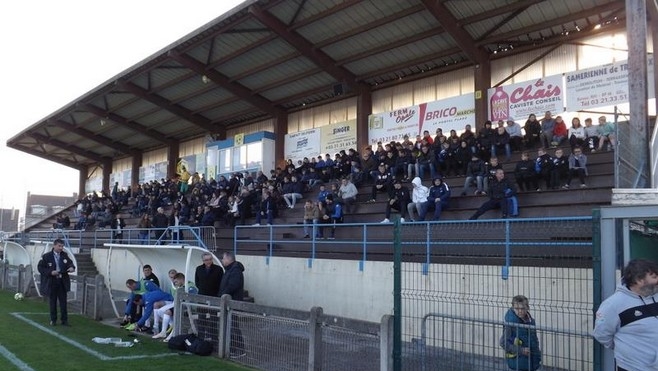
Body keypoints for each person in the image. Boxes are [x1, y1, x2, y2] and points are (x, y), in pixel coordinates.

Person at [593, 259, 658, 371]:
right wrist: (624, 348)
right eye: (654, 277)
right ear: (639, 280)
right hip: (634, 367)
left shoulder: (655, 295)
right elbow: (601, 334)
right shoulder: (613, 304)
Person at [38, 238, 76, 326]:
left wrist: (72, 268)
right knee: (53, 302)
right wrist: (50, 272)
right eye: (59, 246)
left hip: (62, 281)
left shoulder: (64, 255)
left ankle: (64, 320)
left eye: (62, 246)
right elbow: (40, 268)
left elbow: (70, 263)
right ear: (54, 245)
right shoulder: (46, 256)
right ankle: (53, 320)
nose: (61, 248)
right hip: (52, 282)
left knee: (63, 302)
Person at [500, 295, 541, 371]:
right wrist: (521, 350)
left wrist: (538, 355)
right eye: (517, 308)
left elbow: (534, 339)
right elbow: (503, 342)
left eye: (522, 308)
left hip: (532, 361)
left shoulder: (531, 321)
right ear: (513, 308)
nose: (520, 311)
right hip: (517, 363)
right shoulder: (511, 323)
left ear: (527, 307)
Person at [219, 251, 246, 358]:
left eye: (223, 258)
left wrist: (223, 294)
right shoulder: (230, 270)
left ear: (229, 259)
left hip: (232, 302)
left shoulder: (235, 271)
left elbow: (232, 285)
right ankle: (233, 347)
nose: (222, 260)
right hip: (228, 301)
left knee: (233, 326)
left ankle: (240, 349)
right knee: (230, 326)